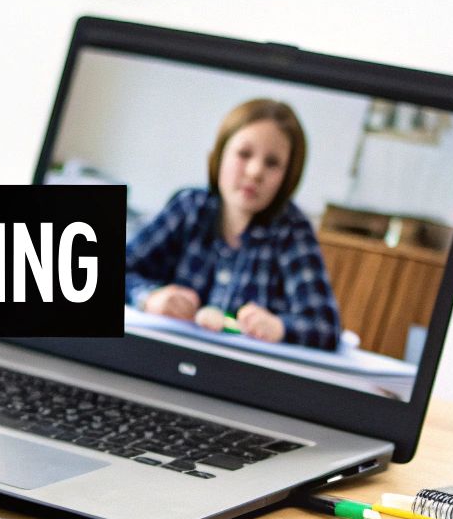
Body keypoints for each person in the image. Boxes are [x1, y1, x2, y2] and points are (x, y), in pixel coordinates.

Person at [126, 98, 344, 350]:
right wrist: (149, 297)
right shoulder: (189, 208)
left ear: (288, 178)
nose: (255, 172)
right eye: (244, 154)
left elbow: (324, 326)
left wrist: (279, 327)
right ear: (220, 155)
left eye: (272, 163)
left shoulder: (292, 231)